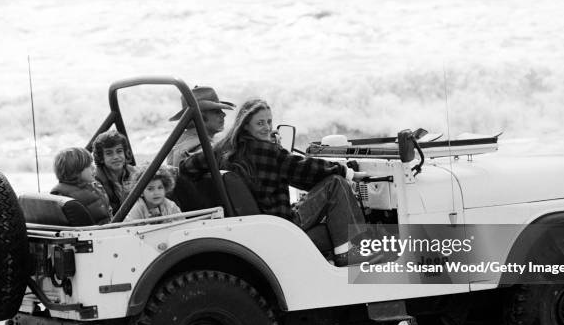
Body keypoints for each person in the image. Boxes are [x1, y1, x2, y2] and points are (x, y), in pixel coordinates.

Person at [180, 98, 371, 266]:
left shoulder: (222, 149)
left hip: (253, 224)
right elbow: (306, 170)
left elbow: (186, 167)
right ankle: (353, 257)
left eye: (269, 122)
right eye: (260, 123)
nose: (267, 127)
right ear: (246, 126)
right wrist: (347, 172)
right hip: (279, 224)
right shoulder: (269, 152)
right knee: (336, 183)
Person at [167, 86, 235, 167]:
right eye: (217, 111)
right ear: (200, 117)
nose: (224, 114)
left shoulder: (179, 141)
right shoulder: (202, 147)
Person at [51, 147, 111, 225]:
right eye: (89, 165)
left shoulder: (95, 186)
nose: (93, 167)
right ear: (75, 170)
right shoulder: (63, 195)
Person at [92, 129, 139, 215]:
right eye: (109, 153)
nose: (116, 157)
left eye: (119, 151)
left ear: (125, 153)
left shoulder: (135, 172)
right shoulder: (97, 182)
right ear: (101, 158)